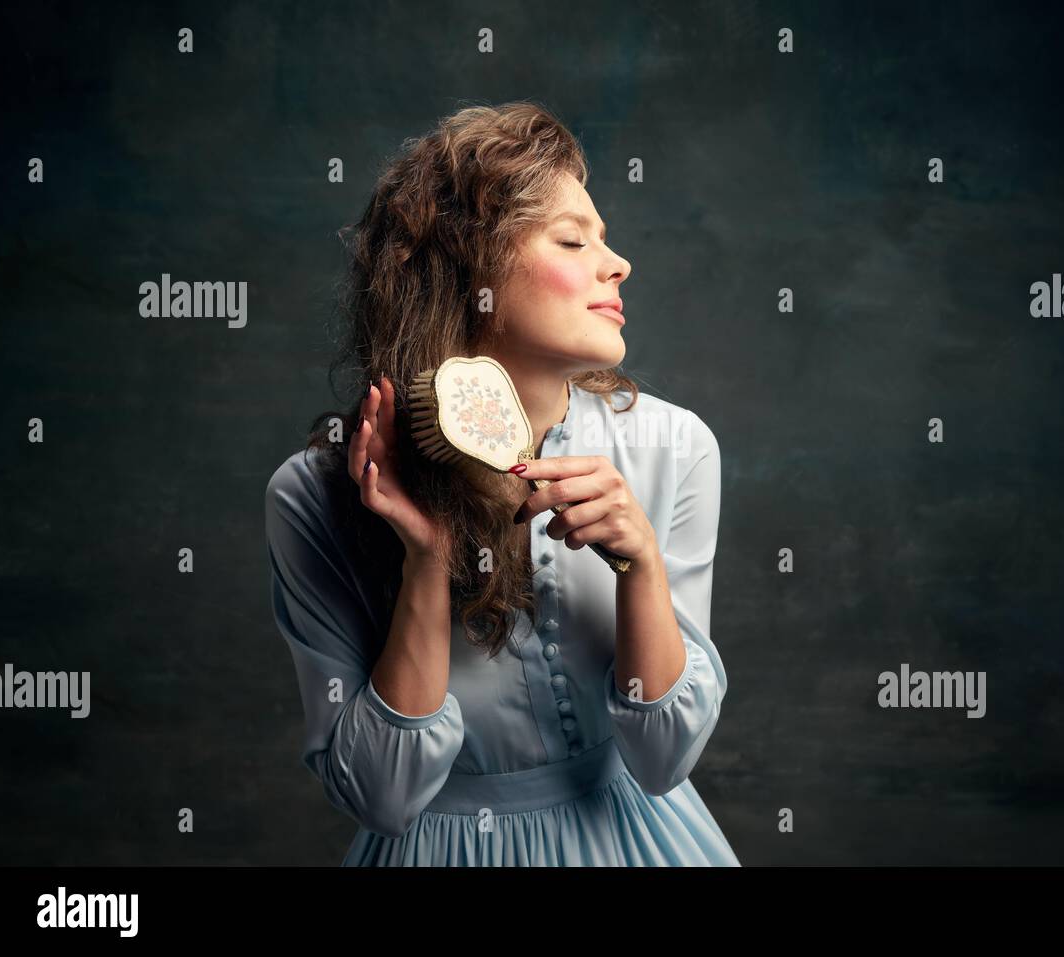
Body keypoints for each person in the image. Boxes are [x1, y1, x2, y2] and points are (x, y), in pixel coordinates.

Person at [263, 101, 739, 865]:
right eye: (573, 240)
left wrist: (642, 563)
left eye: (606, 241)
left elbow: (664, 758)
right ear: (470, 270)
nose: (617, 264)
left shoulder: (675, 446)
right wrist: (425, 559)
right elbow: (382, 797)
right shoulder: (315, 494)